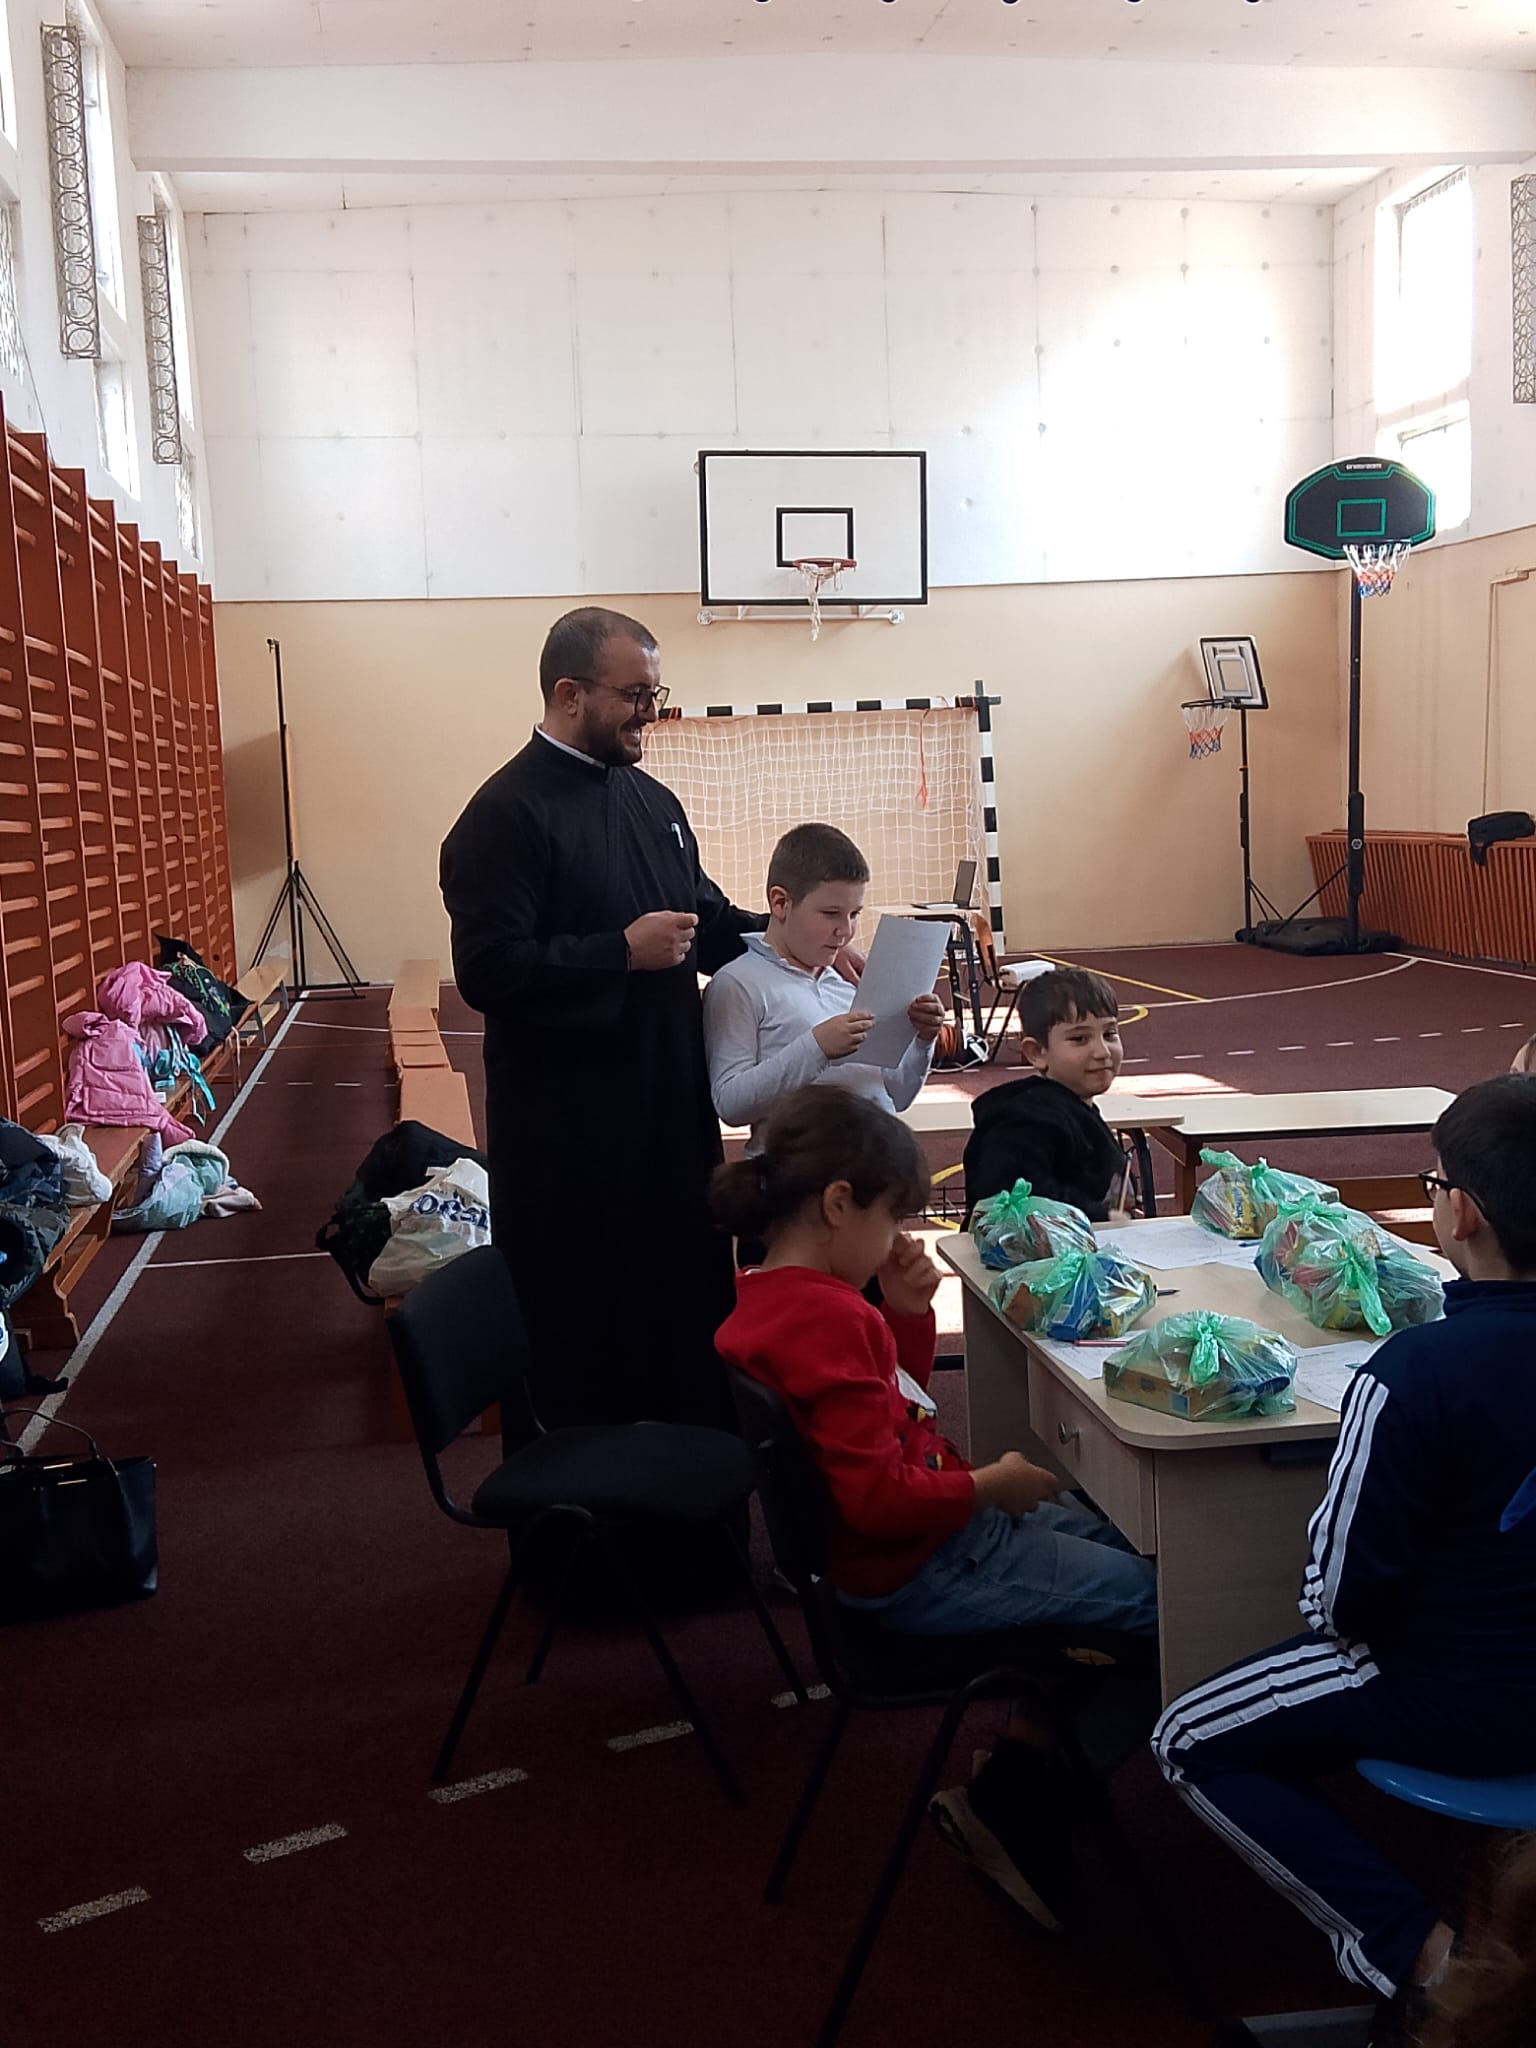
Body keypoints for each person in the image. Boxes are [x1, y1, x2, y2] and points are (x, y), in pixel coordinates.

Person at [712, 1086, 1157, 1928]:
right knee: (1179, 1607)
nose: (897, 1239)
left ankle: (1022, 1760)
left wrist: (906, 1316)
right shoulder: (830, 1319)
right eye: (891, 1218)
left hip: (919, 1547)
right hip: (929, 1562)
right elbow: (880, 1498)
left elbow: (885, 1416)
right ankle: (1030, 1808)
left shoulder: (771, 1298)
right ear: (838, 1205)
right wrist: (991, 1485)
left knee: (1125, 1542)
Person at [1153, 1074, 1536, 2035]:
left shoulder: (1411, 1371)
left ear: (1460, 1214)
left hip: (1461, 1699)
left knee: (1186, 1738)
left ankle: (1431, 1963)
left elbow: (1342, 1594)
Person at [439, 605, 765, 1432]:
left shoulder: (654, 801)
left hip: (668, 1113)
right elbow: (487, 970)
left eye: (657, 694)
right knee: (580, 1328)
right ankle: (579, 1506)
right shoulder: (504, 815)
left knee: (683, 1308)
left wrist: (802, 940)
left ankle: (693, 1491)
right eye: (636, 695)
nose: (652, 712)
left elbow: (706, 920)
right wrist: (618, 952)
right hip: (570, 1138)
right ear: (570, 694)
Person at [701, 821, 945, 1147]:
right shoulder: (738, 983)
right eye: (831, 913)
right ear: (780, 903)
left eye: (854, 914)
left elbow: (897, 1096)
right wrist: (816, 1048)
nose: (846, 931)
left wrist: (922, 1041)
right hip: (797, 1171)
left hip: (879, 1161)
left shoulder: (848, 980)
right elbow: (730, 1104)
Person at [963, 967, 1133, 1223]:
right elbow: (1017, 1205)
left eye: (1109, 1034)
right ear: (1036, 1053)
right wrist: (1102, 1217)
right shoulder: (1023, 1124)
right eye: (1079, 1039)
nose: (1103, 1051)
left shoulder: (1074, 1107)